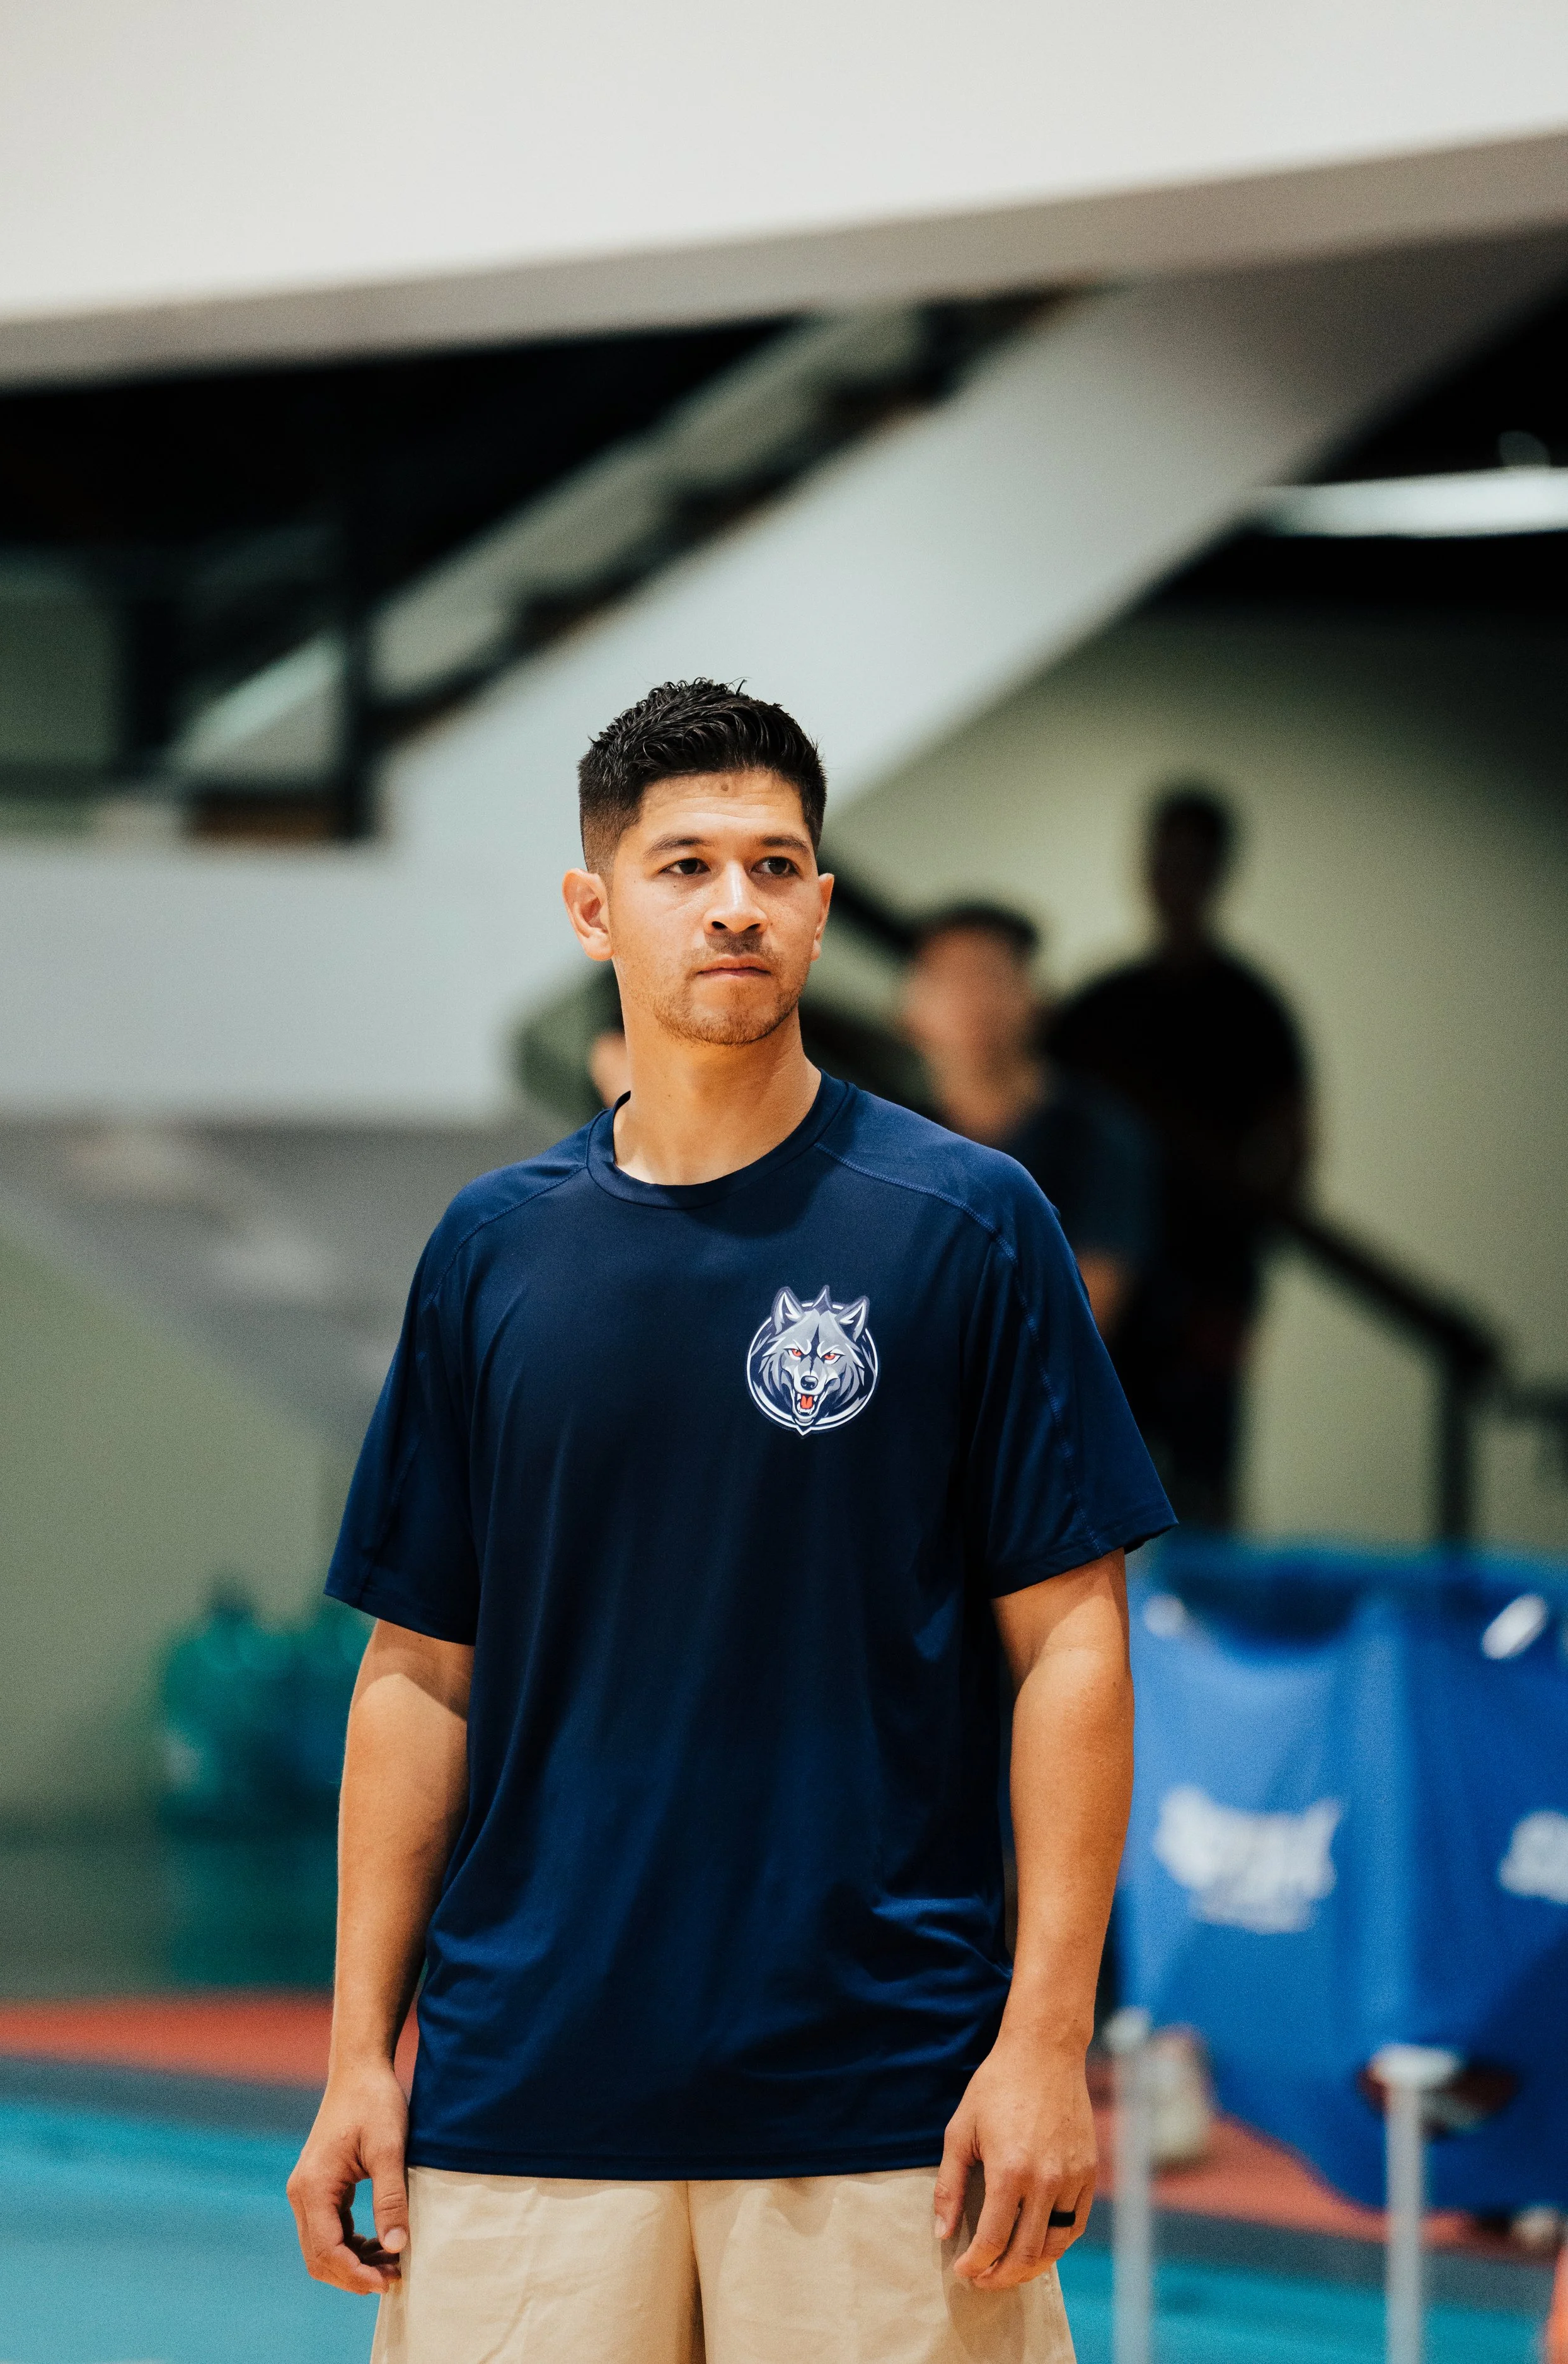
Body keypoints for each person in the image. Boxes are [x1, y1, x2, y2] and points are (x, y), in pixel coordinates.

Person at [287, 678, 1173, 2364]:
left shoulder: (965, 1224)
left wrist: (1046, 2037)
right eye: (683, 863)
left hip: (879, 2099)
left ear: (822, 907)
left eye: (775, 864)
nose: (735, 902)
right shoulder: (490, 1251)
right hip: (524, 2087)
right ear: (593, 906)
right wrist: (354, 2051)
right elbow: (418, 1671)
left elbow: (1070, 1636)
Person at [1049, 784, 1310, 1529]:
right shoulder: (1101, 1006)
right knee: (1088, 1480)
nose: (1175, 878)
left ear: (1219, 873)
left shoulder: (1252, 1010)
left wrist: (1240, 1277)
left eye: (1191, 862)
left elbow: (1293, 1147)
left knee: (1200, 1489)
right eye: (1166, 860)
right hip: (1106, 1287)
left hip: (1205, 1289)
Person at [901, 901, 1155, 1340]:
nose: (973, 1003)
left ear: (1036, 999)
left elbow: (1086, 1317)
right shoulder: (888, 1141)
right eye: (951, 980)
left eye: (993, 977)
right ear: (911, 1008)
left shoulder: (1098, 1136)